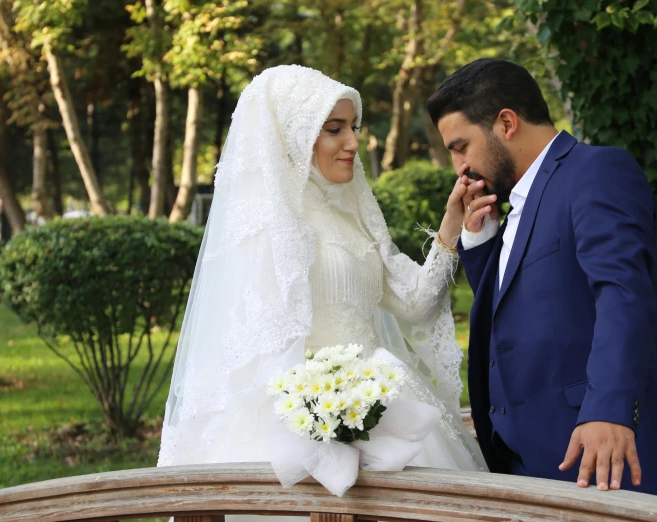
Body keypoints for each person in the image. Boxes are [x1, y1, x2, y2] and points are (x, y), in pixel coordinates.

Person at [157, 65, 487, 521]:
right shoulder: (270, 228)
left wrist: (453, 224)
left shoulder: (354, 212)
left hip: (381, 400)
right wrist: (319, 414)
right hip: (307, 419)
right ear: (295, 135)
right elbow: (258, 347)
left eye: (353, 127)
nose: (352, 142)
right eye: (334, 129)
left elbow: (415, 303)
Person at [427, 58, 657, 498]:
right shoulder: (515, 203)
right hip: (526, 466)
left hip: (600, 458)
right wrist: (480, 244)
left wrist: (609, 411)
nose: (459, 167)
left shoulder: (595, 172)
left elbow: (623, 294)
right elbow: (519, 315)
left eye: (461, 147)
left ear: (506, 123)